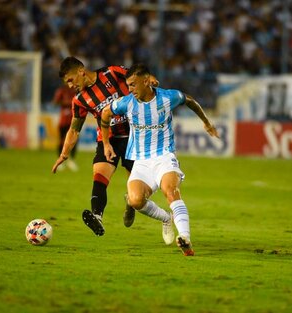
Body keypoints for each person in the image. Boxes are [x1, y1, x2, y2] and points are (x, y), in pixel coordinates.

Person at [100, 63, 219, 256]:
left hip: (164, 156)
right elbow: (105, 113)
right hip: (140, 161)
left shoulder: (167, 97)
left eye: (132, 85)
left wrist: (206, 122)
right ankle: (166, 218)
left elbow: (189, 100)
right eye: (128, 85)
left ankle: (185, 238)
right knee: (136, 200)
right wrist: (106, 143)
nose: (129, 89)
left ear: (146, 81)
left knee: (170, 191)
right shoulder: (127, 103)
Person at [51, 57, 162, 237]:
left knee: (137, 190)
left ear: (81, 70)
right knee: (99, 176)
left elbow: (137, 76)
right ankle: (97, 216)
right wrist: (64, 154)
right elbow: (74, 129)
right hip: (107, 140)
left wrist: (150, 78)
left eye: (70, 80)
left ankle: (130, 202)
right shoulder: (79, 100)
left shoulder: (111, 73)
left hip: (133, 137)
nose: (70, 86)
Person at [53, 85, 78, 171]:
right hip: (63, 120)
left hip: (73, 120)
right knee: (61, 140)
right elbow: (55, 102)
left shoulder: (76, 91)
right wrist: (67, 103)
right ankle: (59, 160)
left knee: (74, 140)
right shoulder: (61, 91)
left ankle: (72, 160)